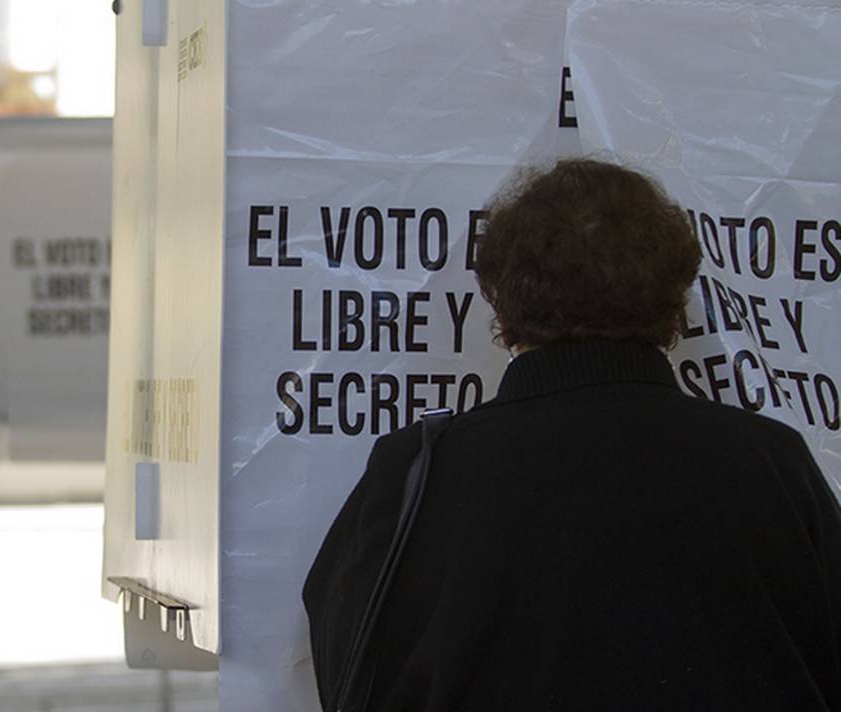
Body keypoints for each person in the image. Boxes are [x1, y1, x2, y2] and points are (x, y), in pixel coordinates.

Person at [304, 159, 841, 711]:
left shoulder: (417, 475)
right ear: (674, 299)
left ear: (500, 297)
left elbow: (349, 664)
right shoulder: (774, 462)